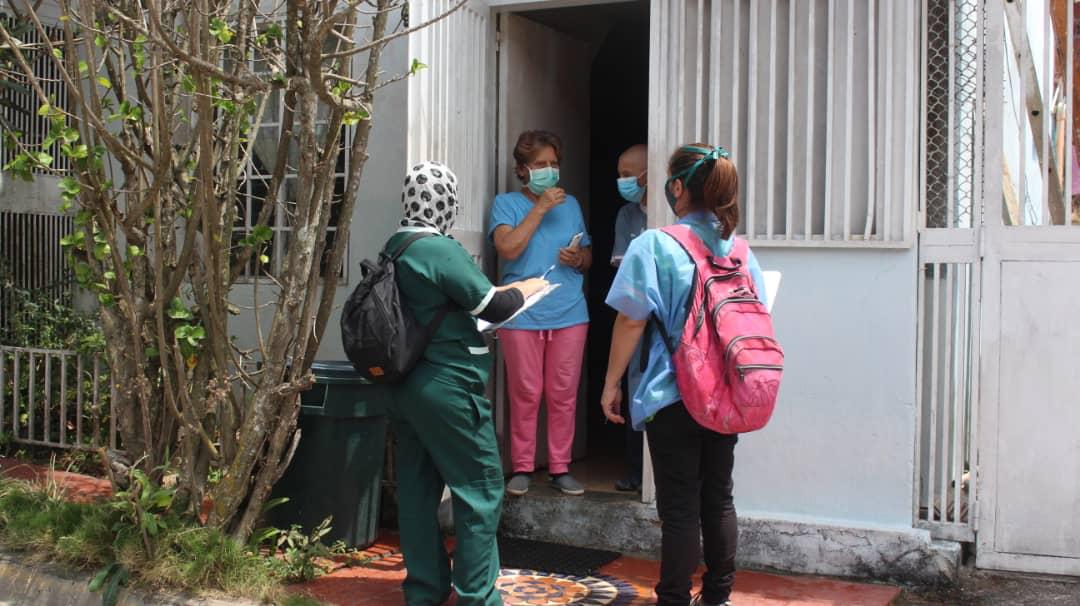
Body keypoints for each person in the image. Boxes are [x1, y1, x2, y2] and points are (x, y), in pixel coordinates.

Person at [600, 144, 768, 606]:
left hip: (671, 393)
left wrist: (612, 383)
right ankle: (717, 597)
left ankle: (673, 598)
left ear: (677, 187)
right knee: (719, 498)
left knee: (679, 508)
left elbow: (631, 318)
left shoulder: (654, 244)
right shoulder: (739, 250)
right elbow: (758, 312)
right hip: (726, 394)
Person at [389, 161, 549, 606]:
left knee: (418, 492)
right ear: (446, 202)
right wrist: (531, 287)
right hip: (448, 388)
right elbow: (493, 305)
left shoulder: (395, 246)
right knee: (479, 489)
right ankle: (478, 596)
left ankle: (425, 591)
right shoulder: (437, 249)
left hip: (407, 387)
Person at [489, 130, 593, 497]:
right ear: (523, 170)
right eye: (540, 165)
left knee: (563, 392)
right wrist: (540, 208)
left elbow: (588, 257)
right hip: (521, 312)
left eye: (553, 164)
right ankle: (521, 466)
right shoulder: (506, 204)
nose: (549, 170)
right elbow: (508, 248)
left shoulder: (573, 205)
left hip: (569, 312)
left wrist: (578, 258)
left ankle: (560, 467)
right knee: (525, 392)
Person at [611, 143, 648, 493]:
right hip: (636, 313)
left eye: (627, 174)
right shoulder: (628, 216)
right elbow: (623, 273)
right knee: (634, 387)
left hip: (666, 320)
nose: (622, 180)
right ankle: (636, 472)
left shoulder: (668, 214)